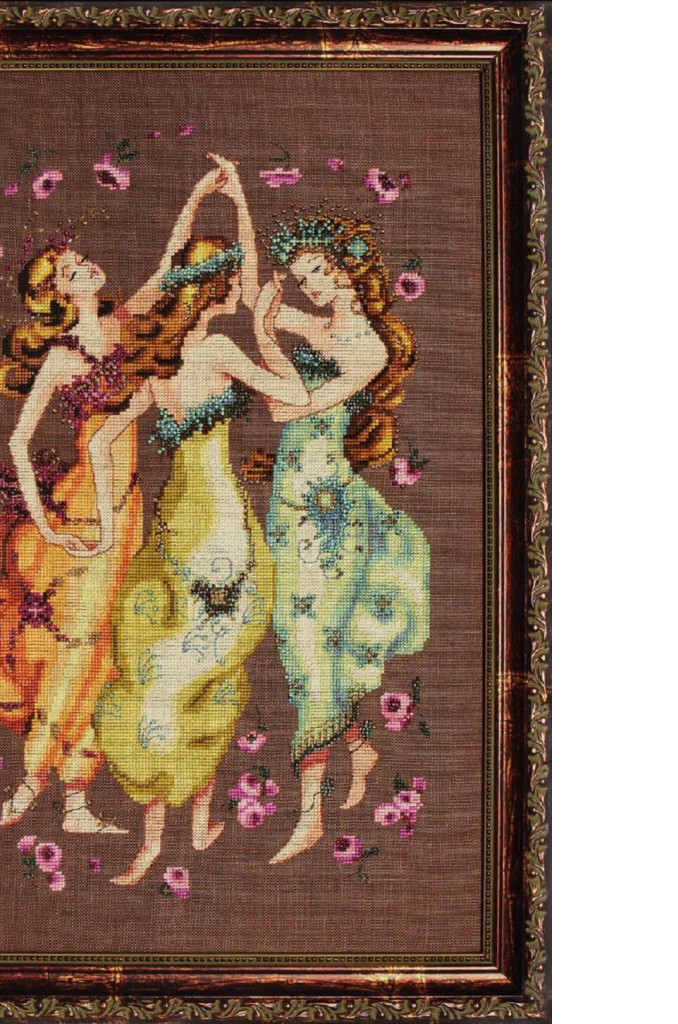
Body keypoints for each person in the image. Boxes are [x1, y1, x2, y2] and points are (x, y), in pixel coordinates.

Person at [0, 161, 232, 832]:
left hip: (124, 508)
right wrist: (50, 527)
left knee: (107, 650)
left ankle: (76, 798)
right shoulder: (62, 358)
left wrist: (199, 194)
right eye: (73, 269)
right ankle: (31, 780)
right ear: (59, 292)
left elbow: (170, 265)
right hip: (88, 509)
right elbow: (21, 442)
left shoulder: (126, 323)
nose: (88, 267)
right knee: (77, 645)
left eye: (82, 261)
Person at [83, 162, 310, 886]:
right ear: (219, 289)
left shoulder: (161, 363)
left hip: (179, 521)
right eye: (234, 281)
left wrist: (107, 523)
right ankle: (176, 827)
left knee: (176, 666)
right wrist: (266, 330)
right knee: (205, 665)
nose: (242, 289)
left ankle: (175, 828)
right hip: (217, 527)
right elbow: (293, 396)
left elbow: (99, 441)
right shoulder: (217, 350)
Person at [254, 215, 430, 864]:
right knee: (299, 641)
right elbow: (254, 298)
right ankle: (358, 747)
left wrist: (265, 334)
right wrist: (235, 196)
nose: (311, 288)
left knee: (311, 650)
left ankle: (310, 814)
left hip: (328, 515)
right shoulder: (321, 327)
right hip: (290, 503)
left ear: (347, 272)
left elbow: (286, 406)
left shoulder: (369, 348)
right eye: (303, 280)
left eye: (318, 275)